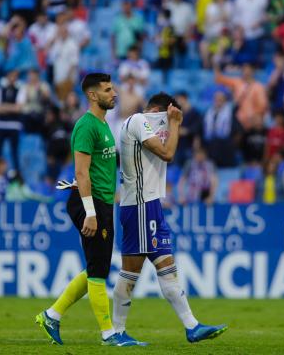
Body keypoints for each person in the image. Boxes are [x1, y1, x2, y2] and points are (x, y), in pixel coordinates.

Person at [113, 92, 227, 344]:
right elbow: (167, 154)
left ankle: (192, 326)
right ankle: (116, 331)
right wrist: (174, 124)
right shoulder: (137, 121)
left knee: (167, 269)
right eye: (167, 115)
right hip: (139, 206)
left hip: (151, 205)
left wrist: (174, 124)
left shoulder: (146, 125)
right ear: (159, 111)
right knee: (130, 272)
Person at [36, 73, 125, 346]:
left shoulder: (103, 124)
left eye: (113, 88)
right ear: (92, 95)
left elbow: (100, 170)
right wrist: (90, 212)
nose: (114, 93)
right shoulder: (86, 126)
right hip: (89, 202)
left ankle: (52, 314)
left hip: (101, 202)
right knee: (98, 271)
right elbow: (81, 172)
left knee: (96, 267)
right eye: (108, 89)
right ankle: (109, 334)